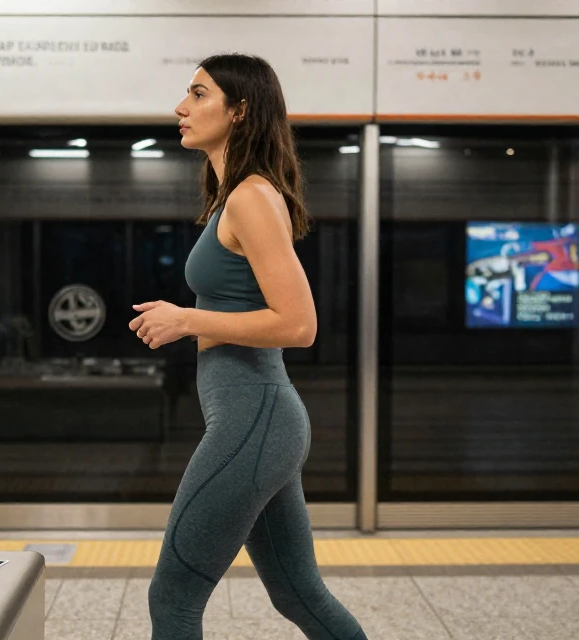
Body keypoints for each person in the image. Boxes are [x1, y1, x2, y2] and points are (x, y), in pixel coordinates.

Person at [129, 53, 368, 640]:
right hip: (257, 419)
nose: (181, 108)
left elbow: (299, 324)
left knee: (174, 596)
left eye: (198, 94)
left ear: (239, 110)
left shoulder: (251, 198)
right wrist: (190, 319)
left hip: (254, 419)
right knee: (297, 593)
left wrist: (187, 319)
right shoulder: (232, 196)